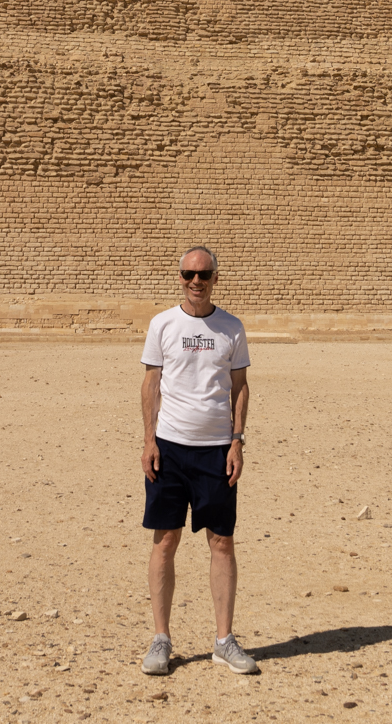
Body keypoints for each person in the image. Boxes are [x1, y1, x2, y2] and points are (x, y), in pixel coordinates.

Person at [138, 245, 258, 676]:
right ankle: (161, 639)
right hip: (169, 448)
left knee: (221, 542)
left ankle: (224, 641)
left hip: (215, 451)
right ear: (180, 276)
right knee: (165, 541)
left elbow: (239, 386)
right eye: (188, 273)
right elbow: (151, 383)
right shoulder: (162, 324)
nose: (195, 281)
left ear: (215, 278)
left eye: (203, 274)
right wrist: (149, 440)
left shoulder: (231, 327)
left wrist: (237, 441)